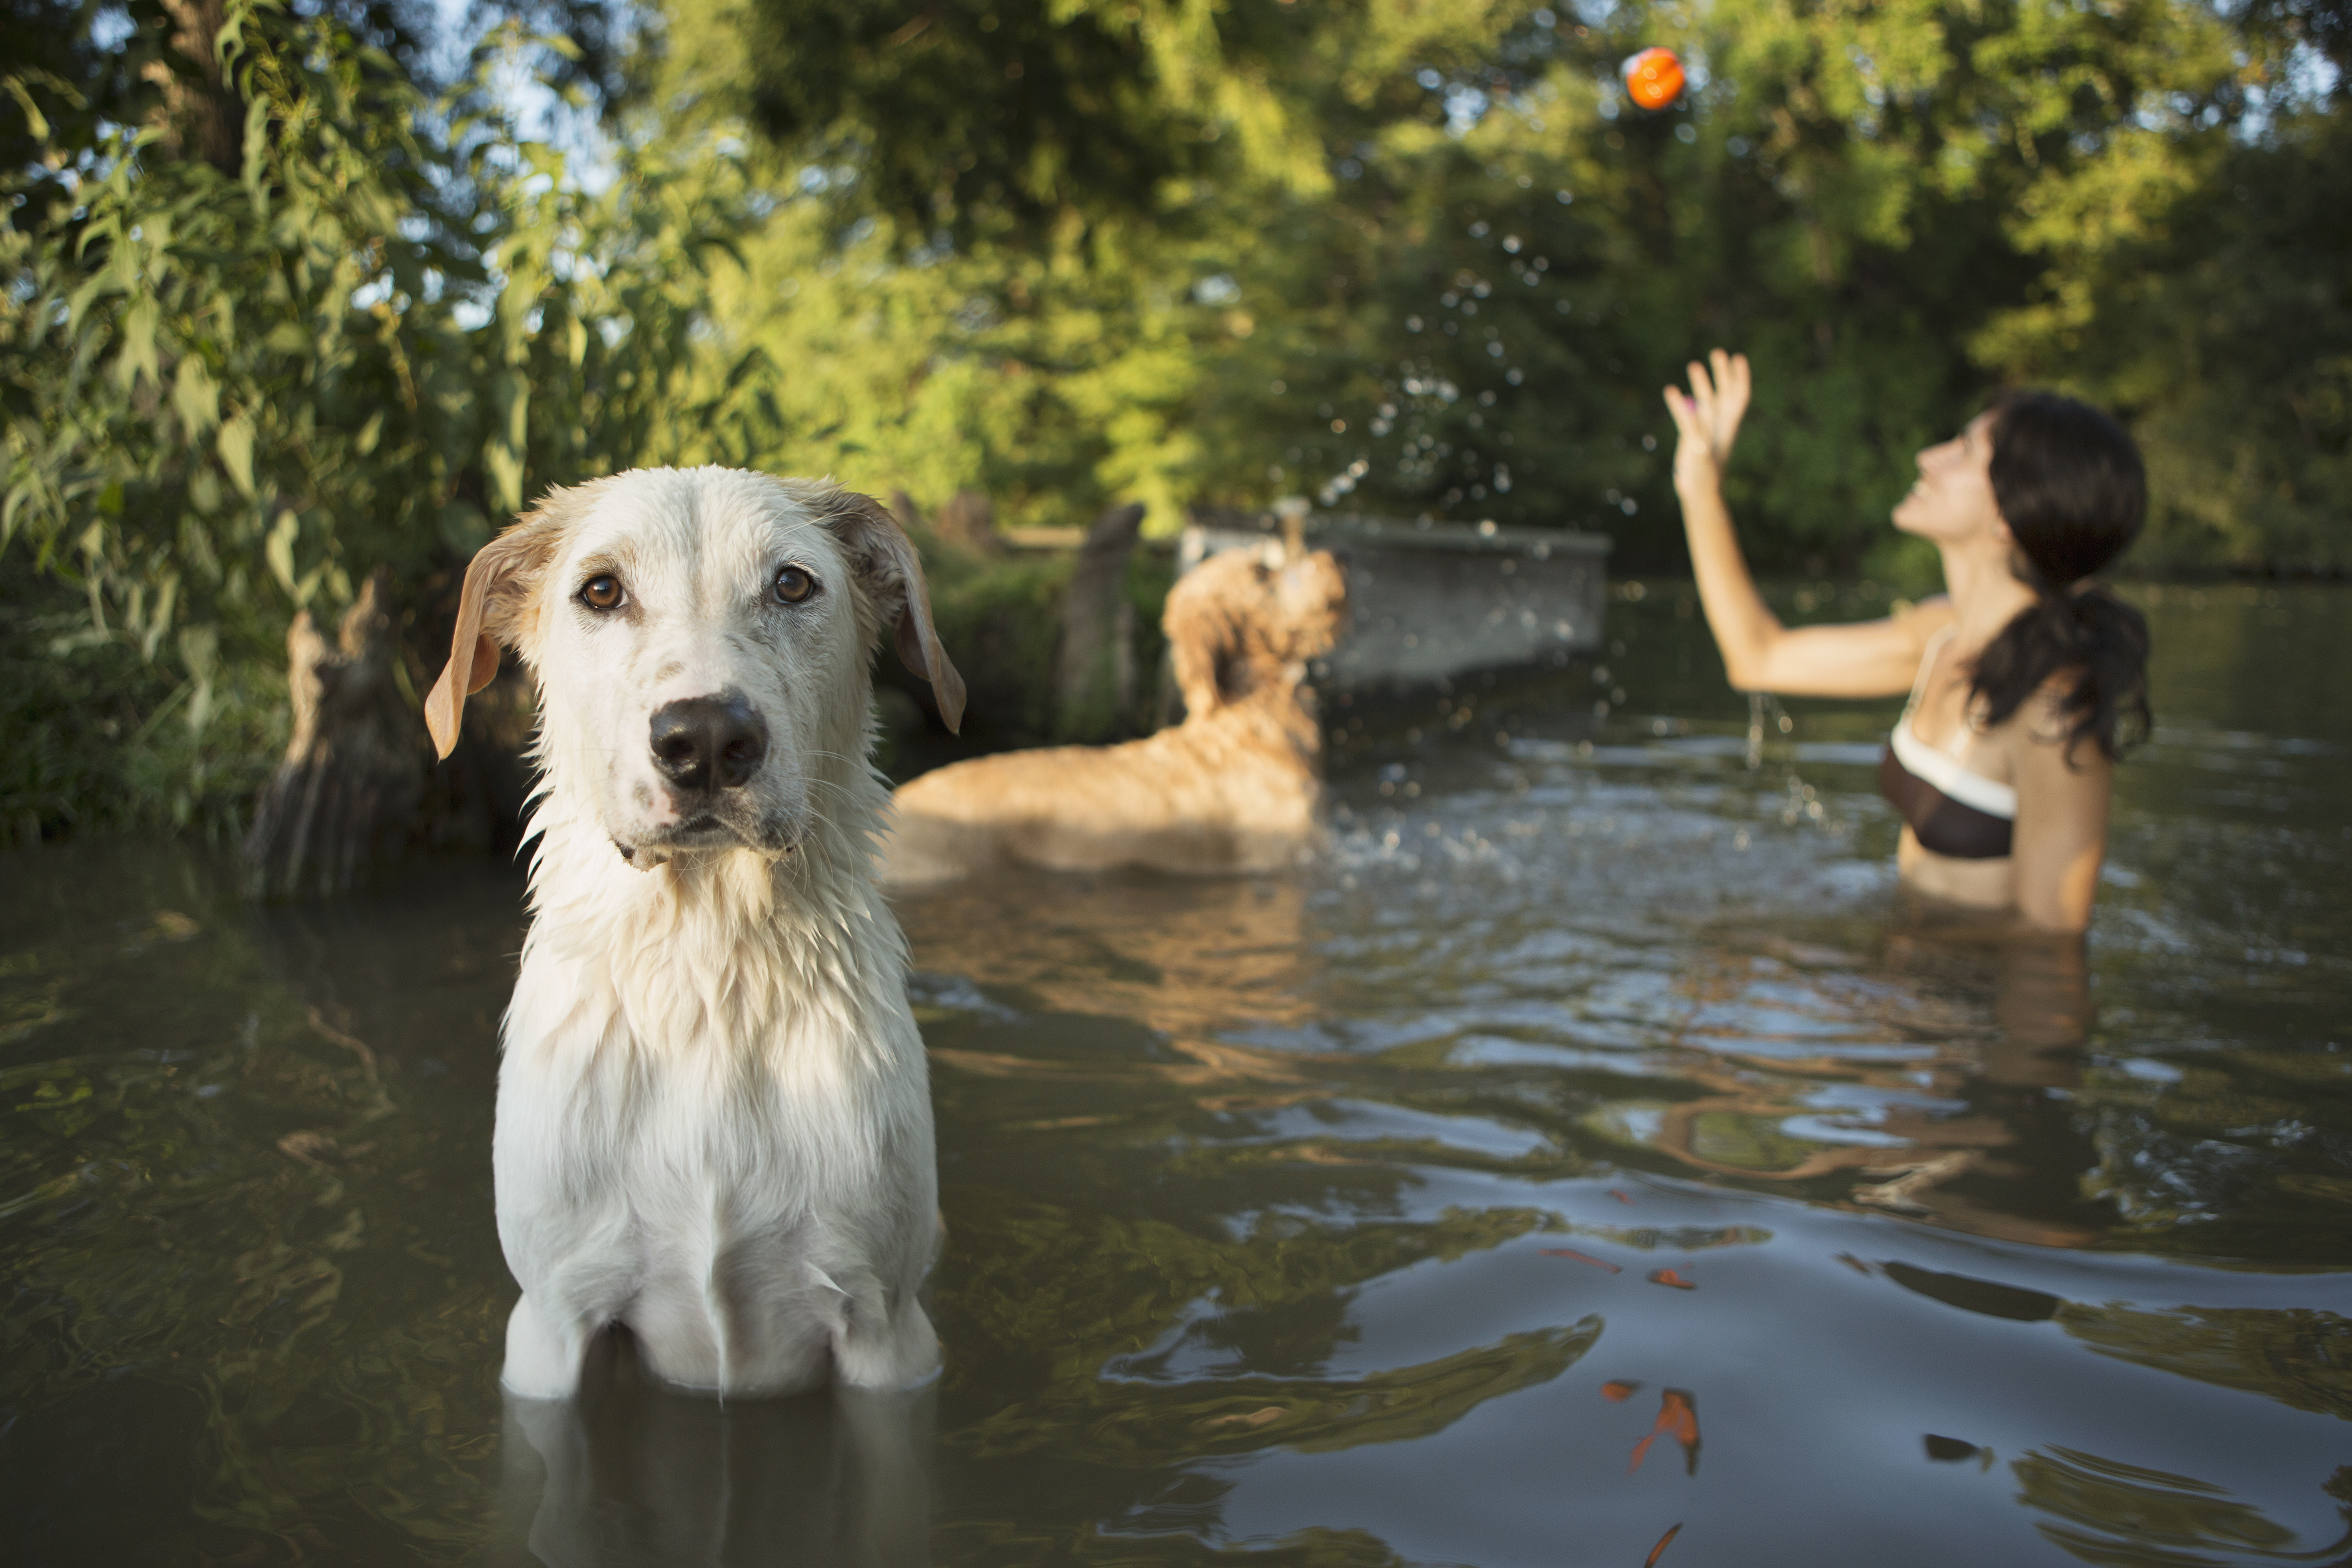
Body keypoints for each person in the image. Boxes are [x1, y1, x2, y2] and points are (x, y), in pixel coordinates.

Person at [1662, 350, 2152, 932]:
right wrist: (1700, 489)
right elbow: (1757, 658)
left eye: (1963, 451)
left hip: (1959, 1009)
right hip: (1903, 982)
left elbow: (2050, 941)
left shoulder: (2052, 707)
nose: (1927, 457)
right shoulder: (1938, 635)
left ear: (2008, 516)